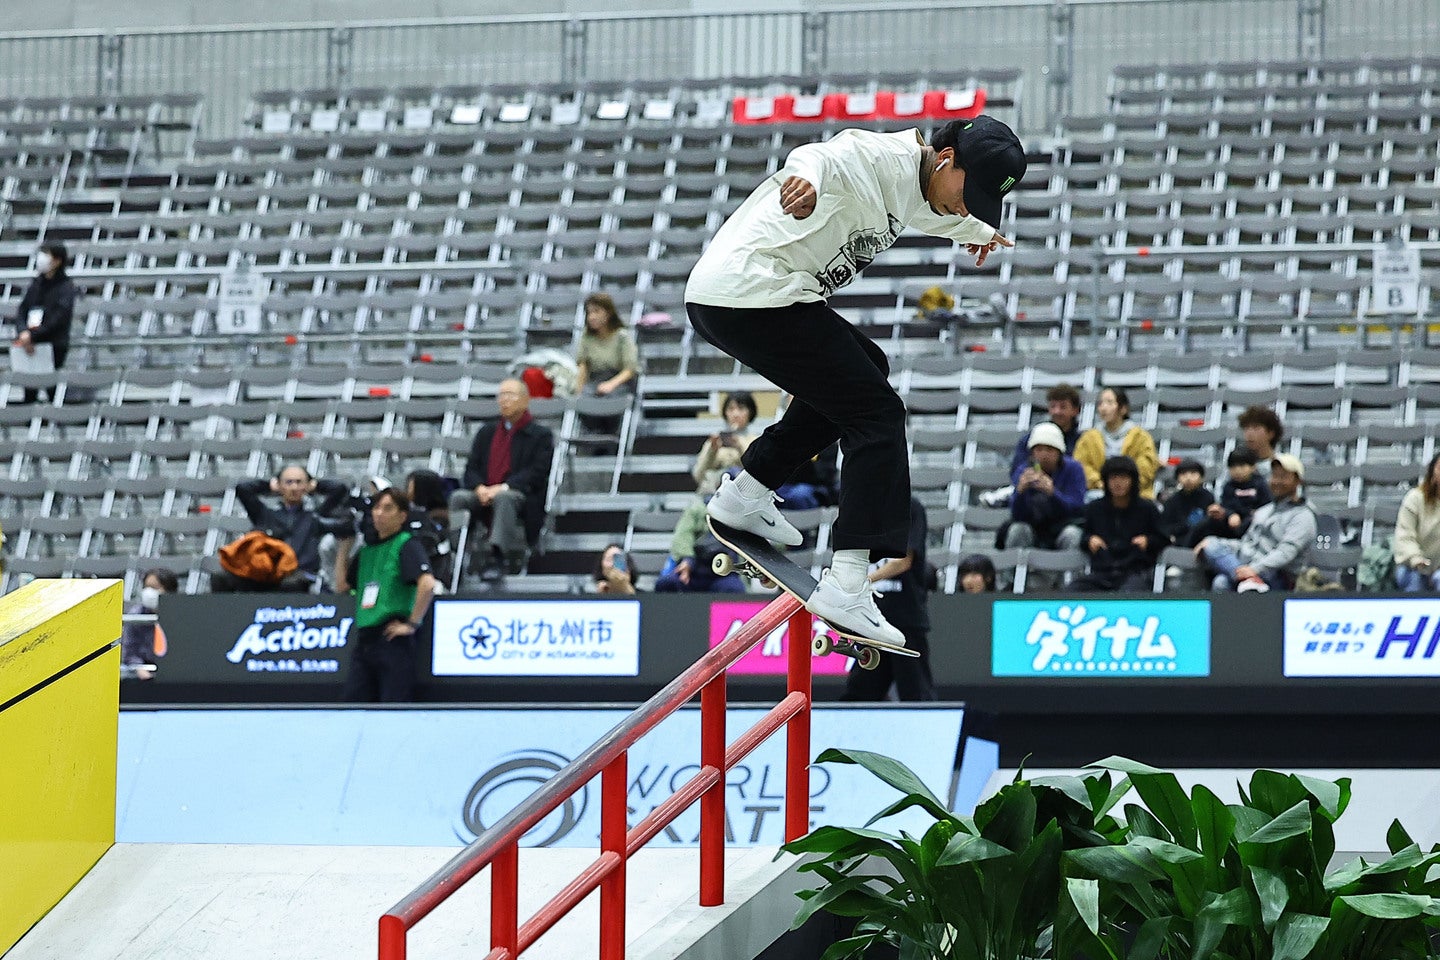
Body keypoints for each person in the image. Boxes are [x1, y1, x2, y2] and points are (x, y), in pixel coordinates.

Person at [685, 115, 1025, 647]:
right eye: (969, 194)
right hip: (752, 292)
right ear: (946, 159)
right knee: (877, 412)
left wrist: (977, 229)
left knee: (870, 369)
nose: (965, 206)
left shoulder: (924, 184)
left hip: (743, 298)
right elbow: (822, 155)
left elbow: (932, 212)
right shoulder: (876, 158)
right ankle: (847, 579)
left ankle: (746, 494)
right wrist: (808, 182)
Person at [449, 378, 555, 580]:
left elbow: (537, 473)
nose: (504, 400)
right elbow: (471, 468)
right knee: (459, 498)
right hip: (484, 492)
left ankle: (497, 556)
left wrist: (503, 487)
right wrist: (479, 487)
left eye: (510, 395)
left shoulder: (540, 435)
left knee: (504, 498)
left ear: (525, 400)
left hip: (522, 495)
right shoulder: (486, 432)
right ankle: (456, 551)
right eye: (501, 395)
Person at [338, 488, 436, 702]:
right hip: (365, 639)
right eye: (376, 507)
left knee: (393, 704)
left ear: (402, 516)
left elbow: (427, 584)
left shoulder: (406, 544)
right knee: (352, 703)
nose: (379, 513)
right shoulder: (366, 552)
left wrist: (411, 623)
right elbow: (343, 586)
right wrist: (344, 548)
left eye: (388, 508)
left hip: (391, 637)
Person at [842, 496, 936, 702]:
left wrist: (865, 579)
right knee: (859, 693)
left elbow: (903, 561)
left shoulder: (909, 506)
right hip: (871, 619)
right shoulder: (862, 511)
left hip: (904, 617)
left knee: (916, 693)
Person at [213, 464, 353, 592]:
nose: (293, 487)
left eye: (299, 482)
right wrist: (268, 485)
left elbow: (340, 489)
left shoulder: (315, 516)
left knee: (290, 584)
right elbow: (243, 489)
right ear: (279, 485)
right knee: (220, 579)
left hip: (300, 574)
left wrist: (316, 485)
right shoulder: (265, 515)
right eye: (288, 482)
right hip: (267, 573)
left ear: (307, 486)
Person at [1197, 454, 1316, 592]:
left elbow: (1286, 553)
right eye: (1274, 476)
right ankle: (1249, 582)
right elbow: (1246, 544)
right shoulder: (1264, 511)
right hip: (1249, 566)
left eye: (1283, 477)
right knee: (1213, 549)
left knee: (1222, 581)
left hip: (1278, 576)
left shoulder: (1303, 516)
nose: (1277, 481)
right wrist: (1216, 543)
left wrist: (1254, 569)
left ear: (1298, 481)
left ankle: (1249, 581)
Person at [1074, 456, 1165, 592]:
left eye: (1123, 478)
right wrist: (1090, 540)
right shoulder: (1094, 508)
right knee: (1073, 590)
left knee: (1128, 593)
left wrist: (1148, 541)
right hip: (1101, 572)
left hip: (1135, 572)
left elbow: (1163, 539)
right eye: (1113, 478)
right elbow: (1084, 537)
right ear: (1106, 481)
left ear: (1132, 481)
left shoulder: (1147, 508)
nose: (1118, 483)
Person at [10, 240, 76, 404]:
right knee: (29, 391)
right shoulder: (37, 284)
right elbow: (23, 310)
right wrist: (23, 332)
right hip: (29, 344)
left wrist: (33, 335)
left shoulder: (65, 287)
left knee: (52, 389)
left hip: (53, 344)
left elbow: (59, 318)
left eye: (47, 254)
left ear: (58, 260)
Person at [1004, 422, 1086, 552]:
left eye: (1049, 450)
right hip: (1034, 528)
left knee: (1073, 534)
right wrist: (1020, 492)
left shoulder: (1074, 469)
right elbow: (1016, 514)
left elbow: (1077, 508)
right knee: (1017, 530)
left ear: (1059, 452)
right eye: (1039, 450)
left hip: (1063, 525)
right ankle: (1012, 571)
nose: (1044, 455)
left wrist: (1053, 493)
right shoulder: (1024, 471)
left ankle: (1070, 572)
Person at [1073, 386, 1159, 500]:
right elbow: (1081, 466)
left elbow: (1146, 467)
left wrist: (1124, 485)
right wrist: (1101, 483)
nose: (1103, 408)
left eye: (1109, 402)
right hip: (1098, 491)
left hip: (1135, 493)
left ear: (1123, 408)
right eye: (1100, 403)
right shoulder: (1088, 437)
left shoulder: (1141, 437)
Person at [654, 499, 746, 594]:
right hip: (694, 571)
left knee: (734, 588)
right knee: (666, 584)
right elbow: (682, 536)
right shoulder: (696, 510)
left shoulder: (739, 515)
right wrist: (688, 560)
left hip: (724, 575)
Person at [1189, 448, 1271, 545]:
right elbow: (1226, 506)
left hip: (1252, 520)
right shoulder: (1229, 486)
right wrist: (1230, 514)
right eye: (1233, 467)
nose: (1237, 470)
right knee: (1207, 522)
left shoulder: (1260, 484)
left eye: (1242, 466)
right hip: (1231, 521)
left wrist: (1252, 514)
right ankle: (1190, 548)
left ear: (1253, 467)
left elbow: (1267, 505)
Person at [1008, 384, 1083, 479]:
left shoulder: (1083, 441)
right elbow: (1016, 471)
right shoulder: (1033, 438)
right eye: (1053, 406)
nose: (1057, 411)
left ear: (1076, 410)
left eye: (1063, 407)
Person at [693, 391, 758, 496]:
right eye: (731, 409)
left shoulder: (755, 440)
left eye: (741, 409)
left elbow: (758, 471)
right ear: (725, 412)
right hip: (716, 494)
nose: (735, 414)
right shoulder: (717, 440)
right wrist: (712, 451)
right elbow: (699, 475)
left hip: (746, 495)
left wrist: (740, 446)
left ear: (750, 412)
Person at [1393, 453, 1440, 591]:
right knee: (1413, 579)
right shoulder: (1415, 499)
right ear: (1433, 472)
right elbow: (1404, 536)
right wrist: (1415, 559)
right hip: (1414, 565)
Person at [121, 567, 178, 680]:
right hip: (143, 671)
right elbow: (130, 651)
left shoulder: (180, 614)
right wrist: (139, 668)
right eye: (147, 587)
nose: (149, 592)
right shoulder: (136, 615)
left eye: (155, 587)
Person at [1158, 458, 1216, 546]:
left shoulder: (1208, 497)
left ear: (1201, 477)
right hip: (1178, 540)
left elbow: (1210, 524)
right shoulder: (1171, 501)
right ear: (1177, 478)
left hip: (1202, 541)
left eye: (1193, 473)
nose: (1188, 478)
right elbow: (1166, 526)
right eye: (1183, 474)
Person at [1237, 405, 1284, 479]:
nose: (1249, 434)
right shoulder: (1237, 463)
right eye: (1246, 428)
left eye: (1256, 428)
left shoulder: (1283, 464)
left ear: (1271, 433)